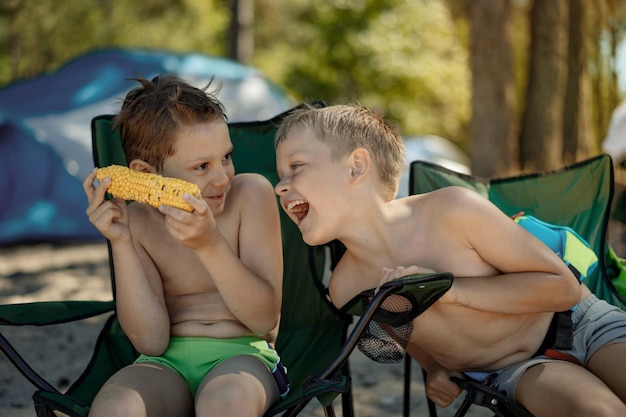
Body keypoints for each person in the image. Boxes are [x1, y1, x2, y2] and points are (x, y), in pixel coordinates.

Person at [273, 103, 626, 417]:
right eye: (280, 174)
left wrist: (448, 290)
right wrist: (434, 368)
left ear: (356, 167)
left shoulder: (453, 211)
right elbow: (410, 336)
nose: (280, 186)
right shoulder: (345, 287)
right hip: (511, 369)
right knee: (598, 410)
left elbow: (563, 287)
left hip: (582, 322)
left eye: (296, 167)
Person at [83, 75, 286, 417]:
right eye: (202, 167)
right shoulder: (138, 222)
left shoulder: (250, 195)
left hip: (243, 357)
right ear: (146, 173)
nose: (222, 177)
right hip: (162, 364)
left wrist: (209, 245)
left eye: (226, 157)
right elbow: (151, 341)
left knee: (225, 404)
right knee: (117, 407)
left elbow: (263, 320)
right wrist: (121, 242)